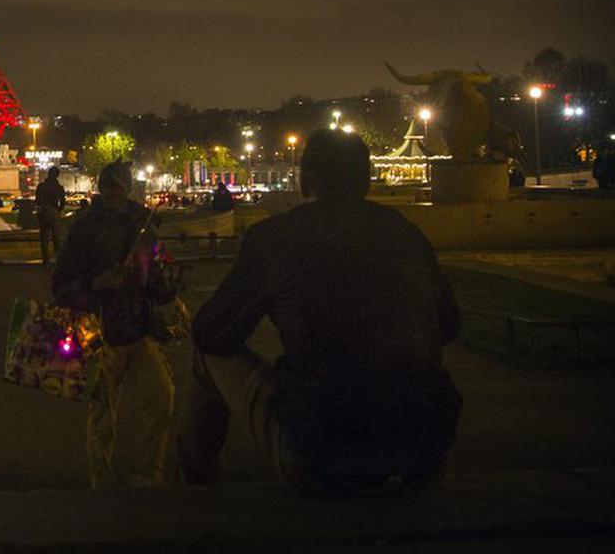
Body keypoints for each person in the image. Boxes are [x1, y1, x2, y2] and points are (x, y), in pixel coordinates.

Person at [178, 129, 461, 497]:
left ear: (305, 179)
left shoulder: (276, 239)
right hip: (423, 452)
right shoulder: (404, 233)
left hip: (324, 452)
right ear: (366, 179)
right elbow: (449, 326)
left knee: (205, 359)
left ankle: (195, 493)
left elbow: (212, 333)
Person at [51, 162, 176, 488]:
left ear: (127, 189)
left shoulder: (143, 229)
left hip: (137, 330)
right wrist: (97, 283)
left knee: (162, 398)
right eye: (107, 188)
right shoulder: (85, 229)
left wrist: (155, 278)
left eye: (116, 188)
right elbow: (61, 287)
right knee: (103, 419)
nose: (110, 195)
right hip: (100, 333)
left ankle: (146, 476)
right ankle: (104, 484)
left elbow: (160, 282)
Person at [36, 166, 67, 267]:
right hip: (54, 213)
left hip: (44, 213)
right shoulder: (59, 188)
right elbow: (63, 202)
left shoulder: (41, 186)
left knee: (44, 239)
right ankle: (58, 261)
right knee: (56, 238)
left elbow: (37, 201)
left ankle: (46, 261)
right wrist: (58, 210)